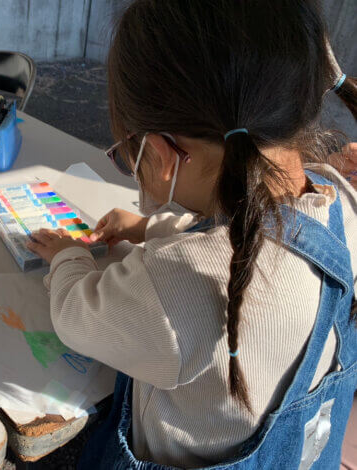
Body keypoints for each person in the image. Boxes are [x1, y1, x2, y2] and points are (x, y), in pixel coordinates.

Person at [26, 1, 356, 468]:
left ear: (161, 154)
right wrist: (148, 226)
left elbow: (78, 314)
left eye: (128, 155)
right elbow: (258, 236)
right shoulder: (342, 202)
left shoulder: (180, 285)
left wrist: (66, 257)